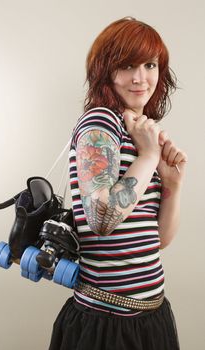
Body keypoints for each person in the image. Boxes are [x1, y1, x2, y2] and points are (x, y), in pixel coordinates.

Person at [49, 16, 187, 350]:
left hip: (152, 315)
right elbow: (101, 219)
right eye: (127, 65)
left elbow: (157, 242)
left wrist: (172, 185)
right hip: (105, 324)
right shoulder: (101, 121)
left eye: (150, 65)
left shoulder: (139, 131)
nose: (141, 78)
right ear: (106, 72)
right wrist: (150, 158)